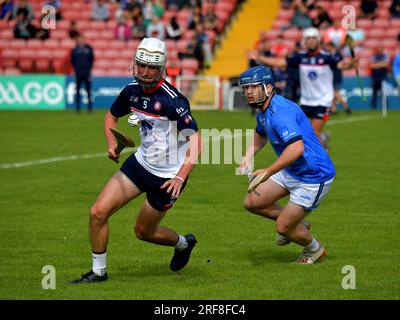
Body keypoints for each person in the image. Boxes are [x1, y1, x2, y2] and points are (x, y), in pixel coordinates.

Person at [71, 38, 202, 284]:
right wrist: (111, 143)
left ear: (161, 68)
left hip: (168, 177)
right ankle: (98, 272)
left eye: (152, 67)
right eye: (142, 65)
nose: (146, 72)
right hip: (140, 164)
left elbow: (196, 141)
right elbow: (111, 116)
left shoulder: (173, 101)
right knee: (97, 213)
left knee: (143, 232)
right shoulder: (131, 91)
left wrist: (181, 176)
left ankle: (184, 243)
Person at [238, 65, 336, 264]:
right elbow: (260, 133)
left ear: (268, 87)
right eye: (246, 88)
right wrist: (248, 156)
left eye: (253, 87)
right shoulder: (264, 110)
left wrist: (268, 170)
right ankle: (297, 223)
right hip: (292, 169)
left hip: (313, 176)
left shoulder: (280, 113)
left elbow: (296, 149)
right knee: (252, 203)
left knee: (283, 228)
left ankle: (314, 250)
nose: (248, 92)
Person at [247, 27, 357, 151]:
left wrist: (351, 64)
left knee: (314, 133)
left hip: (323, 101)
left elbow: (341, 65)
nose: (311, 41)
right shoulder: (299, 57)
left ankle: (320, 159)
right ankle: (323, 139)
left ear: (318, 40)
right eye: (308, 38)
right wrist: (260, 58)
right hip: (306, 101)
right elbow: (279, 62)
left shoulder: (327, 58)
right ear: (305, 41)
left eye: (314, 38)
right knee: (304, 133)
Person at [325, 42, 351, 115]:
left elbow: (341, 64)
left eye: (328, 47)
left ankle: (346, 107)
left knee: (336, 93)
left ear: (331, 46)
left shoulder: (338, 55)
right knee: (332, 93)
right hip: (330, 77)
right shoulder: (328, 55)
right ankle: (334, 109)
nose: (327, 48)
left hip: (336, 76)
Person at [71, 35, 94, 113]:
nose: (81, 41)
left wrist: (89, 70)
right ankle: (77, 109)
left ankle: (90, 108)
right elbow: (72, 61)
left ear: (84, 40)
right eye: (79, 39)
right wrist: (76, 70)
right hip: (78, 73)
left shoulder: (89, 49)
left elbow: (92, 59)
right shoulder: (75, 49)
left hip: (87, 73)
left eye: (82, 39)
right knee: (77, 92)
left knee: (88, 92)